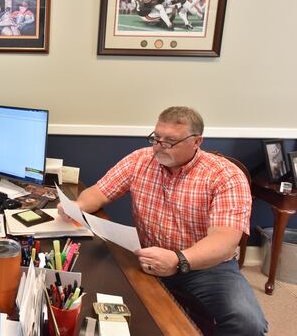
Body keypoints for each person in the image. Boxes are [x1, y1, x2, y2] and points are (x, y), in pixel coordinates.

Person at [58, 106, 268, 335]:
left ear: (196, 141)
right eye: (156, 138)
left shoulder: (225, 175)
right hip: (150, 259)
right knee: (104, 309)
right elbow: (98, 192)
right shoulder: (141, 159)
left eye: (170, 141)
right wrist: (76, 207)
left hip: (207, 266)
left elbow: (225, 240)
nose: (159, 146)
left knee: (248, 323)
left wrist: (179, 259)